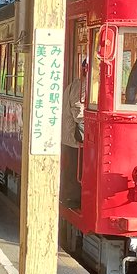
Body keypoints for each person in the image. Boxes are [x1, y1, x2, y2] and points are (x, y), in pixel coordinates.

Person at [61, 60, 87, 208]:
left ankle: (71, 198)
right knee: (74, 168)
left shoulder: (76, 84)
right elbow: (79, 112)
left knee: (72, 167)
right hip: (74, 137)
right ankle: (72, 199)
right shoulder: (82, 86)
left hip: (70, 136)